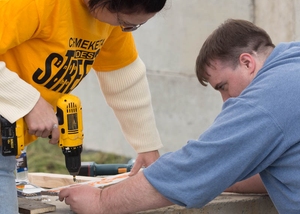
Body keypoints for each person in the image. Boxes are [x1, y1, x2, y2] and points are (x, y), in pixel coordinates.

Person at [59, 19, 300, 214]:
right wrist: (218, 174)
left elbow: (197, 165)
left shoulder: (266, 100)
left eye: (223, 86)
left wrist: (102, 201)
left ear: (247, 62)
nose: (227, 101)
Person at [0, 0, 170, 213]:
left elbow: (123, 73)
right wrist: (29, 102)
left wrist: (147, 147)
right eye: (128, 22)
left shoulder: (108, 9)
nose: (127, 30)